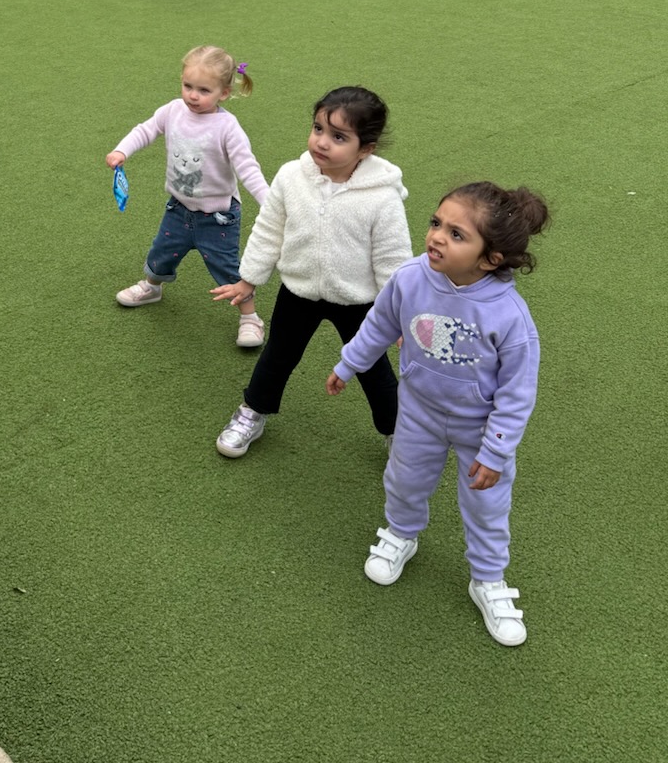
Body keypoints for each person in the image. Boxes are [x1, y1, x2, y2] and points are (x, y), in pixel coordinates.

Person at [326, 183, 547, 647]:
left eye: (457, 234)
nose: (437, 237)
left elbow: (517, 392)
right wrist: (349, 364)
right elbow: (380, 325)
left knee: (487, 506)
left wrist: (496, 451)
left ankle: (486, 578)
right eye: (435, 223)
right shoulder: (410, 277)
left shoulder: (509, 315)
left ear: (491, 259)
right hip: (419, 412)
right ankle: (401, 534)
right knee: (404, 479)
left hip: (480, 428)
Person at [212, 87, 410, 458]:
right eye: (318, 128)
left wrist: (398, 315)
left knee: (372, 369)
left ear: (366, 149)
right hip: (298, 291)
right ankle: (252, 412)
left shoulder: (382, 197)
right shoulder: (291, 176)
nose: (322, 142)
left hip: (357, 300)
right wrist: (248, 278)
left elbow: (393, 261)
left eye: (338, 137)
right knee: (278, 356)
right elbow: (269, 229)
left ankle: (397, 432)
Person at [106, 47, 270, 348]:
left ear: (223, 92)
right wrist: (122, 150)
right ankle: (152, 287)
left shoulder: (227, 127)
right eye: (188, 86)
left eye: (204, 90)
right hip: (179, 208)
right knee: (162, 252)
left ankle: (250, 317)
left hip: (218, 216)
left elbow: (247, 168)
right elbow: (146, 130)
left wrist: (270, 202)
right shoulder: (172, 111)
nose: (193, 95)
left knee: (228, 268)